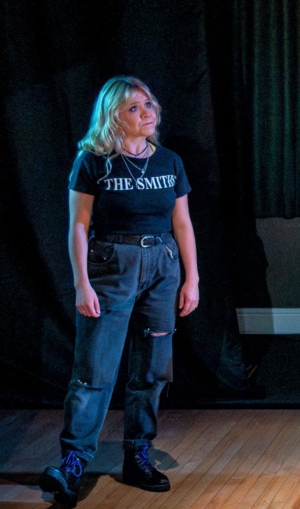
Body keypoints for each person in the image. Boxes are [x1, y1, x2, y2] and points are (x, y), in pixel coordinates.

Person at [40, 76, 200, 507]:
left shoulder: (168, 161)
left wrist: (192, 277)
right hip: (112, 266)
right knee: (94, 371)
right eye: (134, 107)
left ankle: (138, 455)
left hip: (162, 266)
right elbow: (78, 224)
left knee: (152, 370)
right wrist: (81, 283)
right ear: (113, 115)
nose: (147, 112)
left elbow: (182, 222)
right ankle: (73, 463)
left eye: (149, 104)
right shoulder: (93, 161)